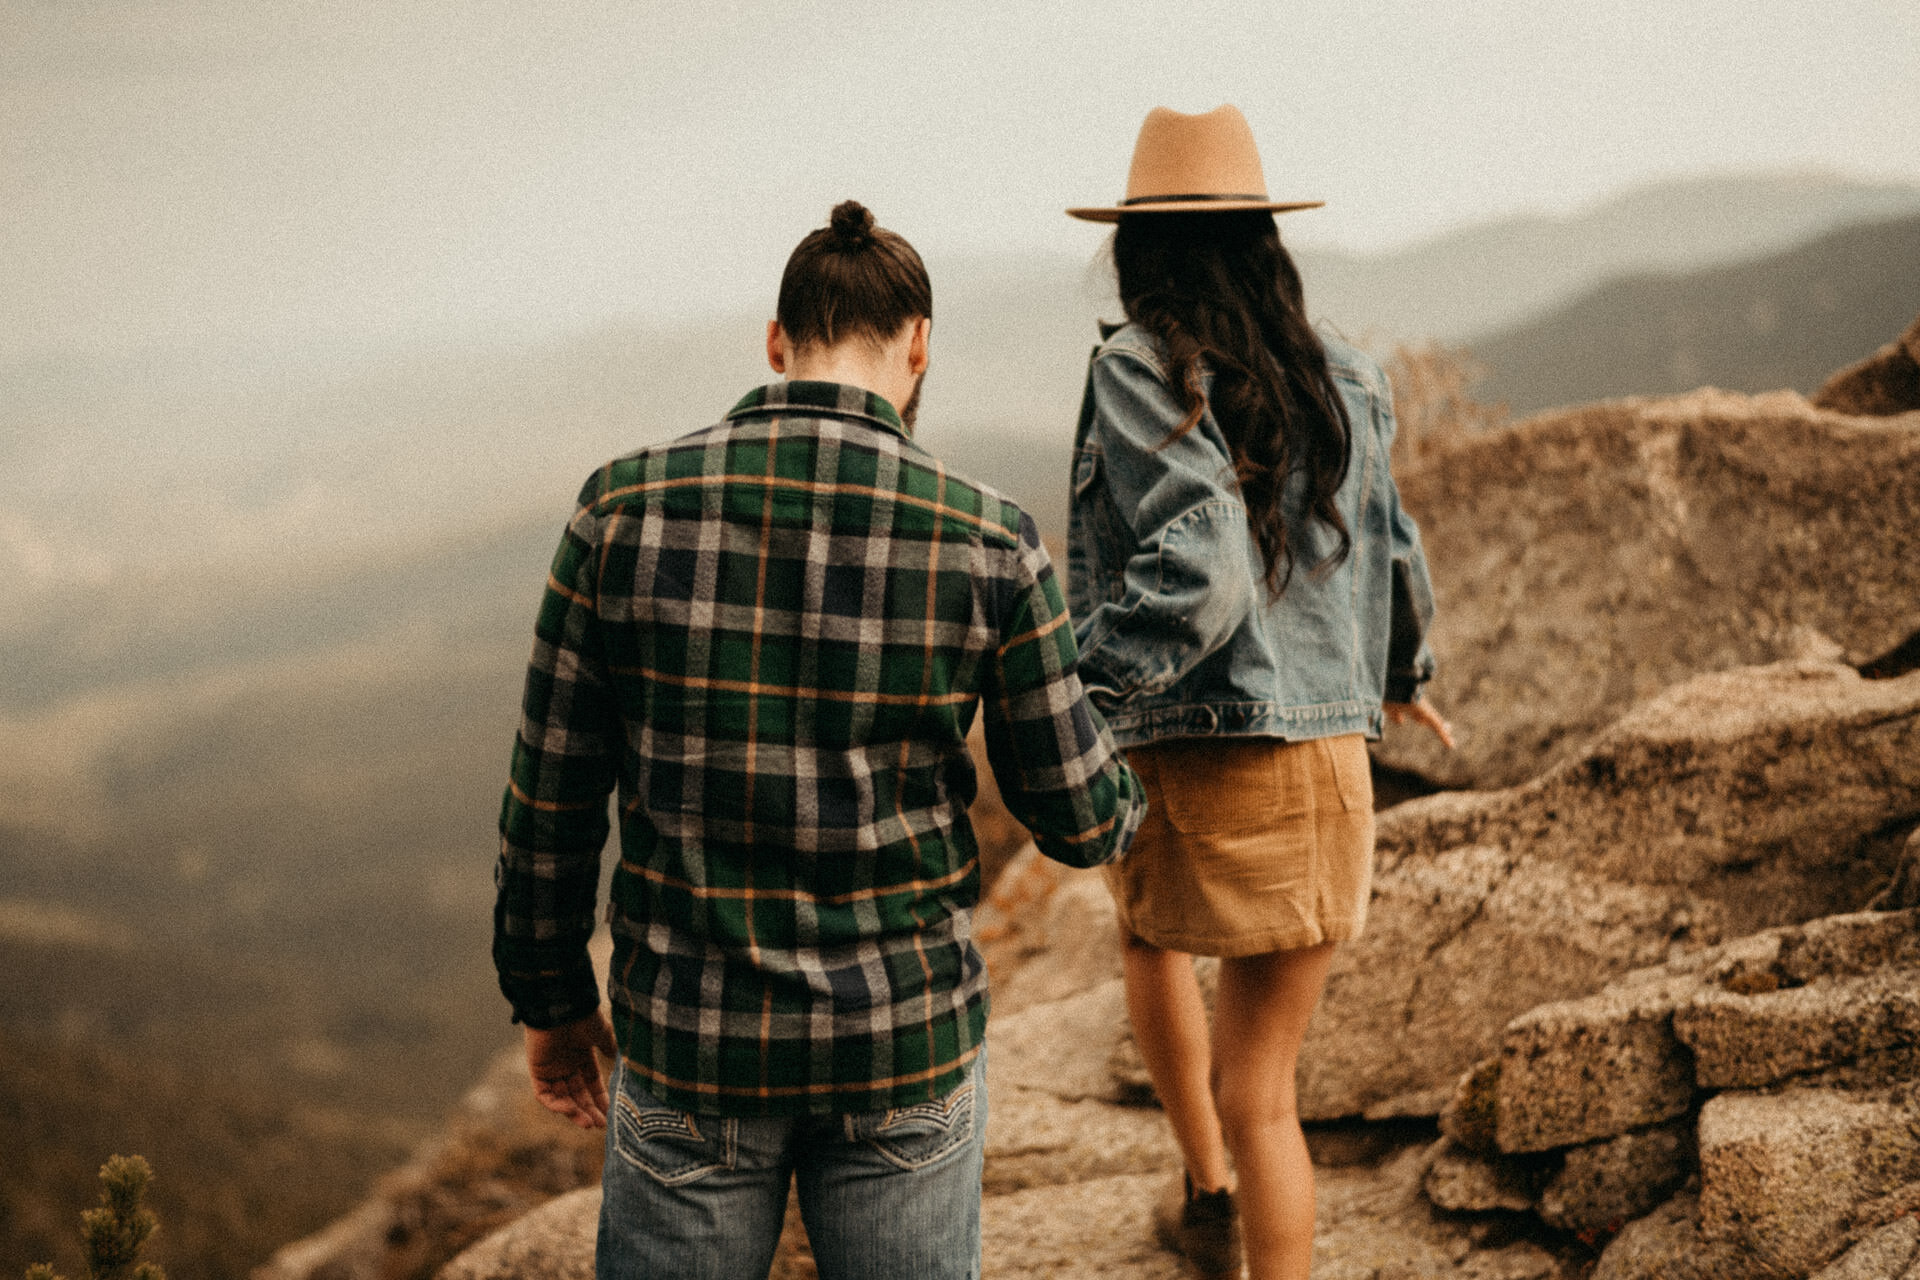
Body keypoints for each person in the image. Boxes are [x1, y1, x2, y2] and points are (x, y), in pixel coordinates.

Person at [491, 199, 1144, 1280]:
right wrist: (1141, 772)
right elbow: (1079, 818)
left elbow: (550, 802)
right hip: (902, 1043)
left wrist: (553, 1004)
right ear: (920, 345)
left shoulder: (620, 509)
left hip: (690, 1043)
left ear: (776, 341)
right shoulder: (988, 538)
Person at [1064, 106, 1454, 1280]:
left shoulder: (1141, 367)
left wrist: (1084, 686)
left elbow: (1206, 561)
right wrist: (1398, 678)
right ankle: (1219, 1192)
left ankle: (1204, 1186)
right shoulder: (1348, 374)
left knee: (1148, 934)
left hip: (1203, 756)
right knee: (1269, 1088)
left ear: (1141, 247)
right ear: (1266, 243)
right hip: (1334, 764)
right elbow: (1392, 544)